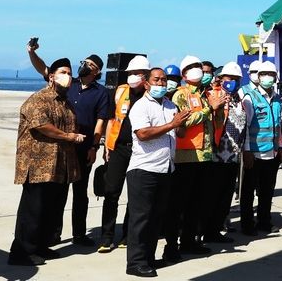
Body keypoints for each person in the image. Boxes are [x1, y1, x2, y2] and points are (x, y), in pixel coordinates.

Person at [28, 45, 110, 247]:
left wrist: (94, 147)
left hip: (83, 148)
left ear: (97, 71)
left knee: (80, 194)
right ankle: (54, 233)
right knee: (58, 193)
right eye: (83, 62)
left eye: (89, 65)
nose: (83, 66)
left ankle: (79, 234)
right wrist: (31, 53)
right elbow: (44, 69)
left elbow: (101, 122)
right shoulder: (68, 83)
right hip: (63, 147)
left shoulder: (102, 93)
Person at [8, 57, 83, 266]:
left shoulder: (65, 102)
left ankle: (41, 245)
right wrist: (68, 136)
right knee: (33, 210)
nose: (67, 77)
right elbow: (42, 125)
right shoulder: (39, 99)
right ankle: (22, 252)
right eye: (63, 72)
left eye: (69, 73)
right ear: (51, 77)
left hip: (60, 165)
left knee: (51, 209)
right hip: (38, 164)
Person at [125, 66, 189, 279]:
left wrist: (181, 122)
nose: (161, 84)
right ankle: (135, 262)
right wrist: (172, 123)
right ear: (146, 83)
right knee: (141, 218)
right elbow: (143, 134)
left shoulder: (170, 105)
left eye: (164, 80)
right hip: (144, 169)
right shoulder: (140, 106)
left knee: (155, 217)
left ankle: (148, 258)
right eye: (157, 80)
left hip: (165, 168)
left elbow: (178, 131)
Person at [162, 55, 216, 263]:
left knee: (196, 202)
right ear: (184, 75)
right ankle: (171, 246)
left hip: (203, 155)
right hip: (185, 156)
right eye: (192, 68)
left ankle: (189, 241)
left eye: (199, 67)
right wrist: (209, 109)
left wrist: (215, 107)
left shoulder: (204, 95)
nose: (198, 71)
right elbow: (183, 120)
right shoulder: (180, 95)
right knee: (177, 205)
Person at [99, 55, 150, 253]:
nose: (131, 77)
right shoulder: (121, 91)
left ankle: (128, 236)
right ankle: (106, 236)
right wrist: (107, 146)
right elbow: (112, 119)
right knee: (111, 192)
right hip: (119, 148)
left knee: (135, 195)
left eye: (136, 73)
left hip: (140, 150)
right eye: (129, 73)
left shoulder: (151, 95)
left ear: (145, 76)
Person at [203, 61, 246, 243]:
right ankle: (206, 230)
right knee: (211, 196)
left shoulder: (239, 99)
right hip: (216, 155)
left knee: (225, 196)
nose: (233, 82)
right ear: (221, 78)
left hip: (233, 157)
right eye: (230, 78)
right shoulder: (213, 95)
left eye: (237, 79)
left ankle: (216, 229)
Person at [239, 60, 282, 236]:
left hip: (271, 152)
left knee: (267, 191)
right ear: (258, 77)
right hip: (254, 152)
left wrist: (280, 148)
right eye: (264, 74)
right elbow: (246, 126)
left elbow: (278, 125)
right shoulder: (250, 97)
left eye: (271, 75)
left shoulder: (278, 99)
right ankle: (247, 223)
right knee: (249, 191)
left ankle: (264, 221)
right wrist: (247, 150)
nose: (268, 78)